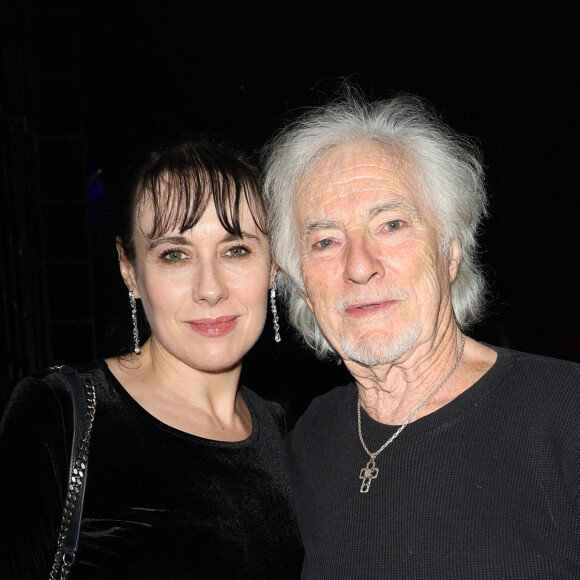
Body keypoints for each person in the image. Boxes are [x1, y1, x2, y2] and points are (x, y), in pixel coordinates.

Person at [260, 86, 580, 578]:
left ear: (450, 251)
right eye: (325, 241)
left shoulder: (565, 412)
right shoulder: (307, 444)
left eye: (391, 224)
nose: (359, 266)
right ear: (300, 285)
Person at [0, 136, 304, 579]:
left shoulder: (290, 438)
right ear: (130, 270)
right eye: (174, 255)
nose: (210, 288)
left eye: (236, 249)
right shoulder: (57, 415)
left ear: (274, 264)